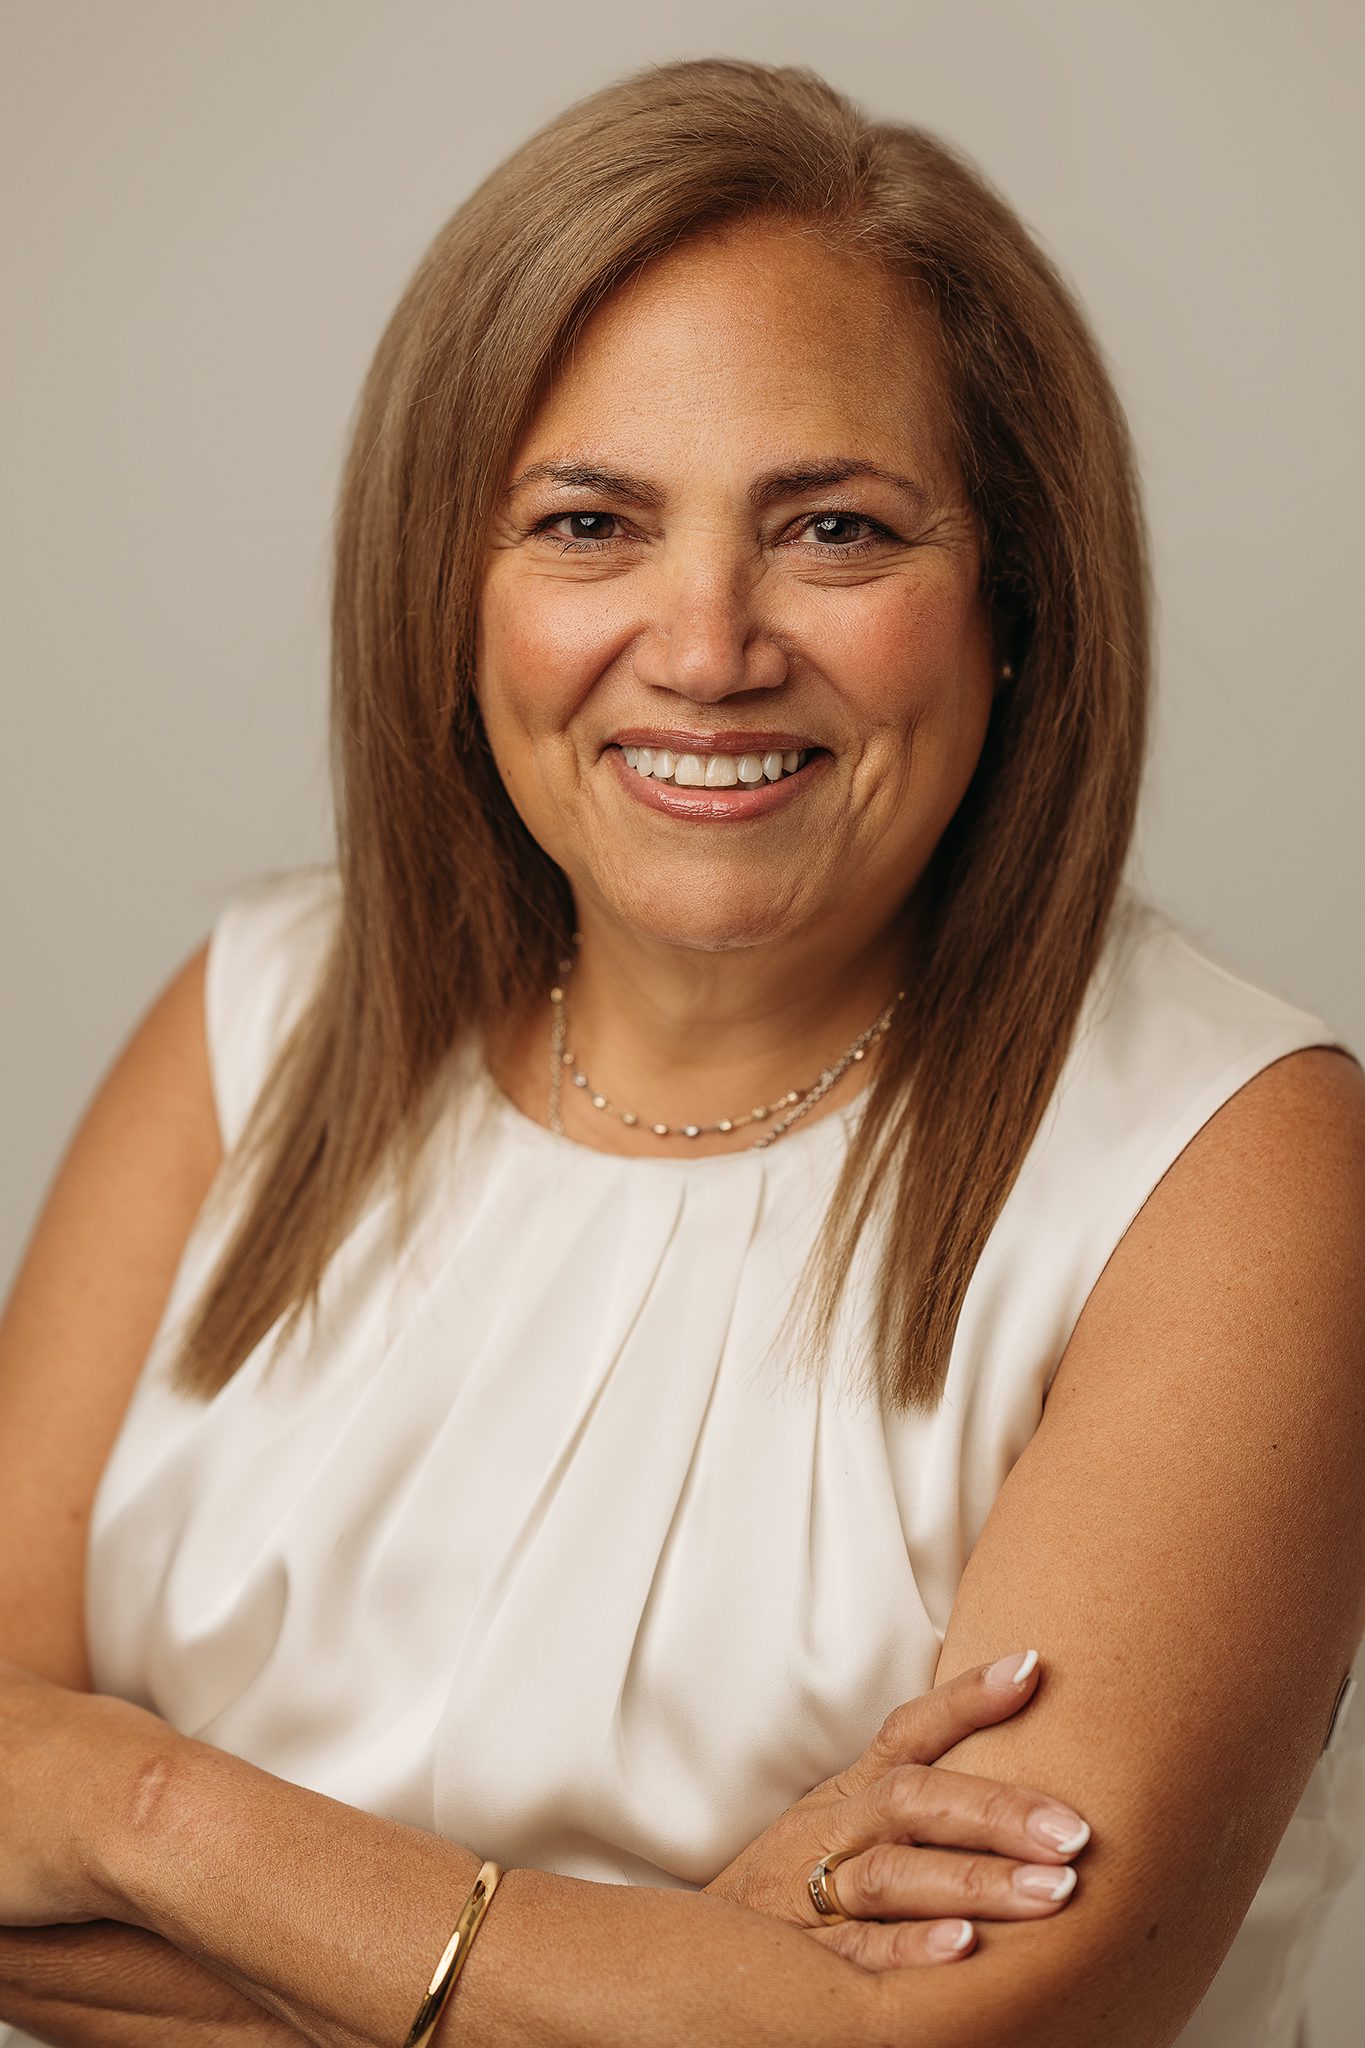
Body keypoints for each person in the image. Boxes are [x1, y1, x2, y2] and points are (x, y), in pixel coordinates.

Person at [0, 52, 1361, 2048]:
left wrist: (120, 1809)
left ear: (1013, 601)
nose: (707, 642)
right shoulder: (253, 1021)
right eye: (588, 521)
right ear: (448, 591)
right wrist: (674, 1965)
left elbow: (944, 2043)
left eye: (830, 527)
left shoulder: (1237, 1162)